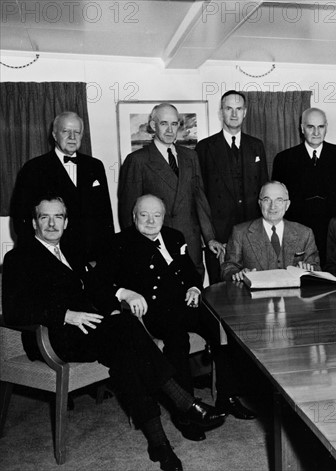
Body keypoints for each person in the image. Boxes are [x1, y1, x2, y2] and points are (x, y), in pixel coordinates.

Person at [2, 196, 225, 471]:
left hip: (91, 329)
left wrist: (119, 298)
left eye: (58, 217)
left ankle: (159, 444)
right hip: (52, 335)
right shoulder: (19, 257)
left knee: (126, 356)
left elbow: (97, 286)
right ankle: (183, 402)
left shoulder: (71, 250)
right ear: (34, 221)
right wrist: (65, 315)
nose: (51, 223)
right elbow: (14, 311)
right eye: (45, 217)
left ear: (66, 221)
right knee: (127, 330)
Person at [99, 194, 255, 424]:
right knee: (177, 337)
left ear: (164, 217)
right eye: (144, 215)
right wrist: (124, 293)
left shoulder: (174, 236)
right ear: (134, 217)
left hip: (185, 303)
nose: (151, 221)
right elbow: (99, 282)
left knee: (223, 326)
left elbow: (190, 271)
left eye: (157, 215)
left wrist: (194, 287)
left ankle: (227, 396)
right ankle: (187, 414)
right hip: (152, 311)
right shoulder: (119, 243)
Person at [118, 102, 220, 275]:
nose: (170, 130)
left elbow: (200, 200)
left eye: (174, 124)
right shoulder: (137, 160)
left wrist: (209, 237)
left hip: (190, 242)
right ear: (153, 125)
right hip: (156, 243)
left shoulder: (190, 156)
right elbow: (128, 211)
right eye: (164, 123)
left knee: (193, 292)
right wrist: (137, 248)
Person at [10, 111, 114, 264]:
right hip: (53, 257)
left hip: (91, 257)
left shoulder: (95, 166)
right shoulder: (34, 168)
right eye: (66, 131)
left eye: (77, 132)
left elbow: (105, 215)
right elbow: (21, 218)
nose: (72, 137)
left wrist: (106, 256)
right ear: (54, 135)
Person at [195, 90, 269, 283]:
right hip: (219, 238)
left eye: (238, 109)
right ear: (221, 113)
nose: (234, 114)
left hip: (253, 234)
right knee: (222, 292)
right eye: (229, 109)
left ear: (245, 112)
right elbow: (199, 196)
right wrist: (210, 237)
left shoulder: (256, 146)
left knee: (256, 289)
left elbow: (264, 193)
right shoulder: (205, 148)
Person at [272, 107, 336, 264]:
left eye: (320, 127)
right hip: (298, 233)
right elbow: (278, 201)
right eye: (310, 127)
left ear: (326, 127)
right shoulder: (284, 159)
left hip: (332, 233)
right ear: (302, 128)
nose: (316, 132)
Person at [221, 181, 320, 281]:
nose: (272, 206)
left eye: (279, 200)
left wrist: (309, 269)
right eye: (267, 200)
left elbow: (316, 269)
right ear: (260, 203)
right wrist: (238, 274)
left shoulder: (305, 233)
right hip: (254, 295)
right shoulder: (240, 232)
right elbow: (228, 268)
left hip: (293, 296)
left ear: (287, 204)